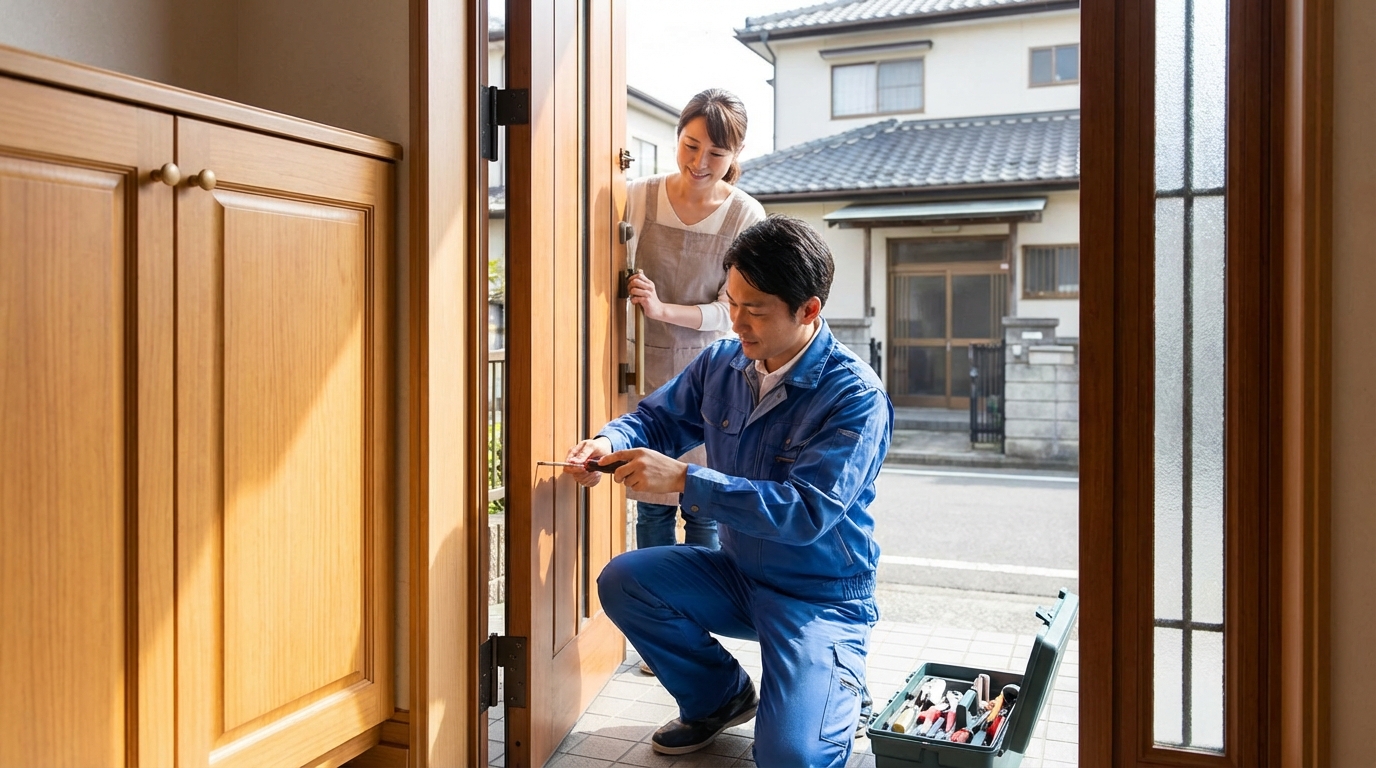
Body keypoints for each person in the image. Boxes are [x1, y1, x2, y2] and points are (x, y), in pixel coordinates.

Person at [562, 216, 892, 767]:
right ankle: (720, 699)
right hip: (739, 575)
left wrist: (686, 480)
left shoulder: (855, 396)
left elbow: (806, 513)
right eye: (731, 302)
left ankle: (837, 683)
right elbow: (655, 421)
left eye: (755, 309)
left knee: (792, 758)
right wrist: (605, 441)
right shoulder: (722, 361)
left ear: (808, 310)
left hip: (819, 597)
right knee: (626, 579)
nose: (736, 321)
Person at [622, 87, 766, 551]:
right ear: (677, 136)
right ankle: (650, 612)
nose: (700, 161)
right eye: (691, 145)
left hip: (711, 373)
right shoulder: (638, 197)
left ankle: (696, 609)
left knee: (702, 503)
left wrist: (663, 309)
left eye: (717, 153)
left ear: (736, 154)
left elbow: (731, 310)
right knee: (651, 504)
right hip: (641, 366)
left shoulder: (745, 213)